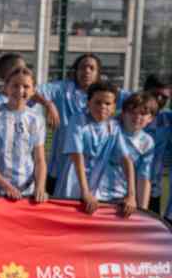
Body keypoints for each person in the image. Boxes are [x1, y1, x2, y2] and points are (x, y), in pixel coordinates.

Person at [53, 81, 135, 216]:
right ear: (88, 102)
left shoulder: (113, 127)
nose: (103, 107)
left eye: (108, 104)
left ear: (114, 107)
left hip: (98, 188)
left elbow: (126, 159)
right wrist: (85, 191)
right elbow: (76, 156)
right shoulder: (78, 120)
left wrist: (131, 195)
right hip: (74, 185)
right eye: (98, 102)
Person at [38, 53, 111, 194]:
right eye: (83, 67)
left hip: (93, 173)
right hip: (59, 167)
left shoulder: (105, 95)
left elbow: (134, 103)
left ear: (98, 73)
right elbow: (33, 90)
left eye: (92, 68)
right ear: (76, 71)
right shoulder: (61, 89)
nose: (87, 71)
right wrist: (48, 104)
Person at [0, 66, 49, 202]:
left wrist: (40, 187)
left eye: (26, 86)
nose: (20, 90)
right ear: (6, 88)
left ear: (33, 90)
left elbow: (39, 159)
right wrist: (5, 186)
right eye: (15, 85)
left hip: (26, 193)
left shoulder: (36, 119)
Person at [100, 92, 157, 212]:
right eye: (132, 112)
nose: (137, 117)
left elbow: (144, 178)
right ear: (123, 113)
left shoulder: (147, 142)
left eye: (143, 114)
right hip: (96, 194)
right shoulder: (108, 127)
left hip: (121, 198)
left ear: (151, 118)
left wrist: (143, 211)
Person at [144, 74, 172, 214]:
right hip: (125, 188)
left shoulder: (167, 119)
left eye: (165, 97)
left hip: (154, 189)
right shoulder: (128, 116)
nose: (159, 99)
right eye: (155, 94)